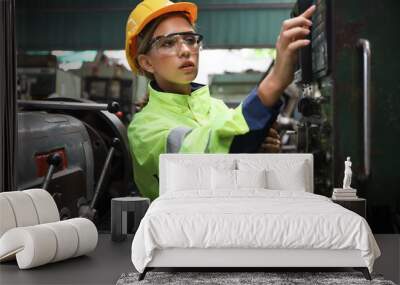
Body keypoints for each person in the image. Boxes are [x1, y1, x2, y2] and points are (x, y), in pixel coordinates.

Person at [125, 0, 315, 200]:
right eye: (168, 43)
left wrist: (260, 150)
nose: (185, 50)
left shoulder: (216, 108)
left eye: (190, 39)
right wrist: (275, 82)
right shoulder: (144, 129)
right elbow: (206, 157)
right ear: (146, 62)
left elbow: (236, 157)